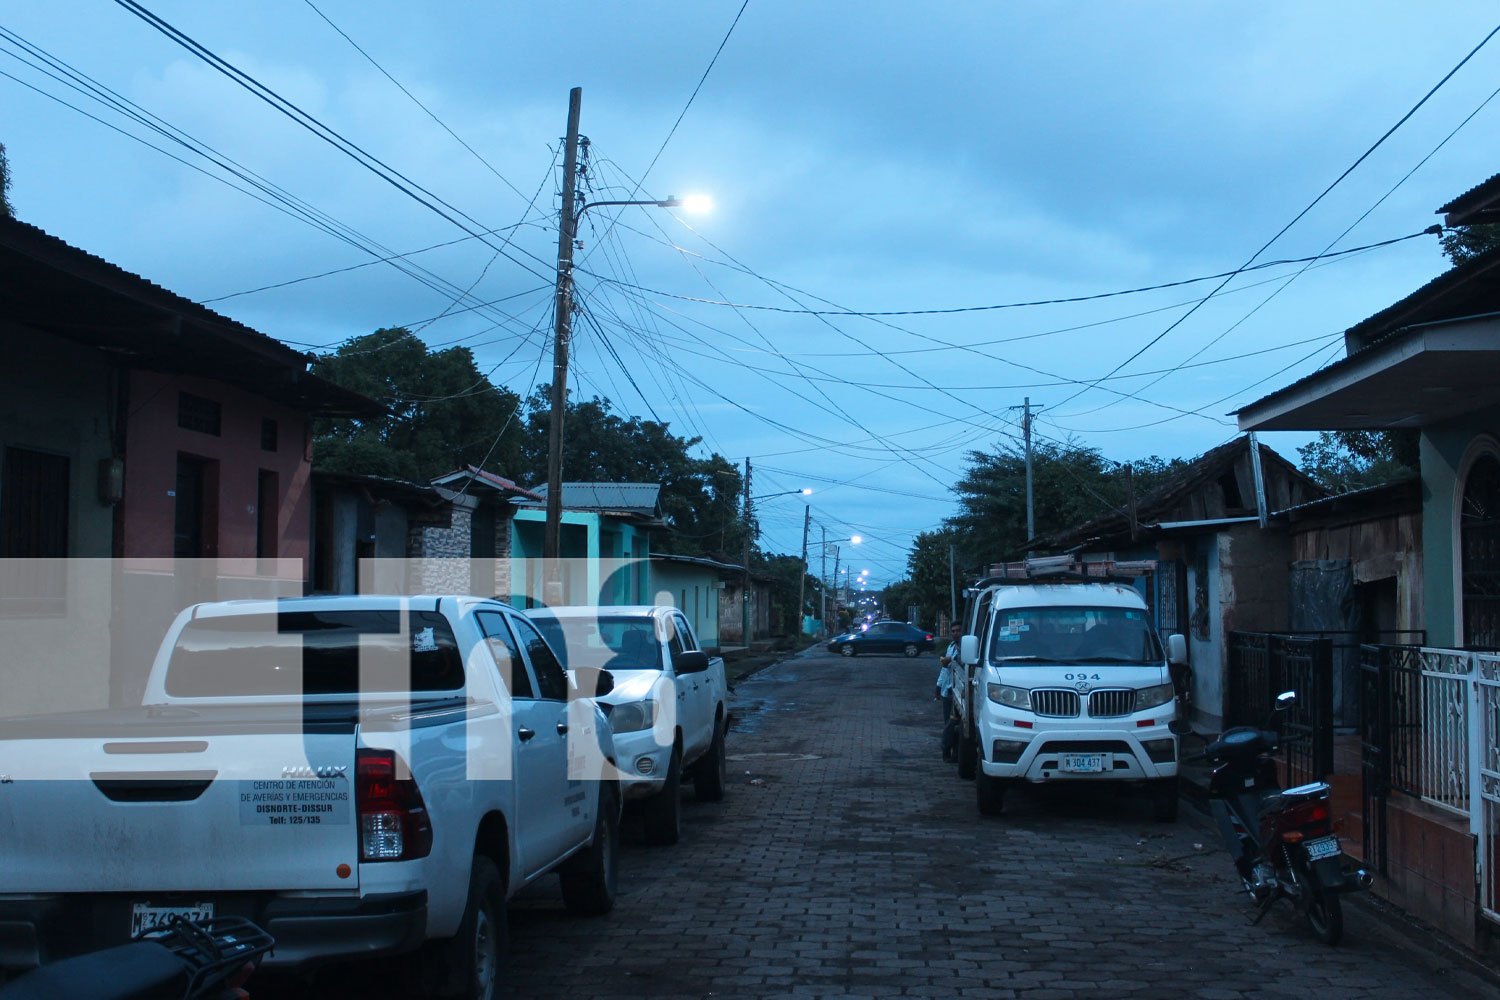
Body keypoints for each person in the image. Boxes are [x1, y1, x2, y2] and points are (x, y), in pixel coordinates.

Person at [935, 623, 961, 762]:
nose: (955, 633)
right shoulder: (951, 647)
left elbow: (961, 660)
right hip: (948, 691)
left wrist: (950, 659)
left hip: (960, 693)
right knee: (949, 724)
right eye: (953, 631)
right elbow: (945, 669)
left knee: (954, 724)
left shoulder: (965, 649)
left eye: (958, 631)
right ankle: (947, 752)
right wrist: (939, 686)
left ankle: (952, 751)